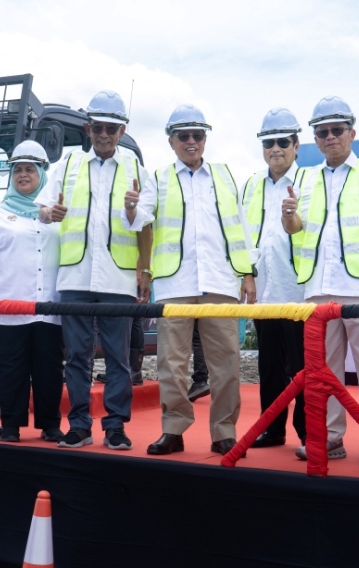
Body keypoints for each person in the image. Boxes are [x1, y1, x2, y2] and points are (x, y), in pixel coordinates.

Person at [124, 104, 257, 456]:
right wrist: (132, 208)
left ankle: (224, 431)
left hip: (219, 281)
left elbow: (240, 229)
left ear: (205, 138)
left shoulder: (225, 175)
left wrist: (247, 273)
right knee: (171, 365)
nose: (192, 142)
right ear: (171, 141)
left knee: (227, 362)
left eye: (198, 135)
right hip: (175, 284)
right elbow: (142, 222)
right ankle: (173, 430)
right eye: (184, 136)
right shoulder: (158, 177)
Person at [282, 96, 359, 467]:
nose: (330, 137)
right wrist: (289, 218)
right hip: (319, 287)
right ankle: (329, 438)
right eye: (323, 132)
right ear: (315, 139)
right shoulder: (303, 177)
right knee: (323, 371)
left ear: (352, 133)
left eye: (337, 130)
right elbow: (295, 230)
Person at [36, 90, 149, 450]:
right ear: (87, 129)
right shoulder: (66, 166)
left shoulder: (137, 170)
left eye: (111, 128)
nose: (104, 134)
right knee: (77, 356)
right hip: (75, 275)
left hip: (117, 277)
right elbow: (42, 208)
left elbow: (147, 221)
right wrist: (48, 214)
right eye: (98, 127)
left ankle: (115, 426)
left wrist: (133, 210)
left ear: (122, 130)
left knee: (118, 357)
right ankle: (81, 425)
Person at [0, 141, 63, 443]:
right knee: (12, 370)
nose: (23, 175)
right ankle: (11, 426)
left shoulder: (57, 214)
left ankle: (50, 425)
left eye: (29, 169)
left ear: (42, 173)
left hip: (49, 306)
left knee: (49, 369)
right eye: (17, 169)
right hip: (8, 308)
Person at [242, 108, 306, 449]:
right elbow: (242, 237)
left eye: (283, 141)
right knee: (269, 367)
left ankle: (307, 431)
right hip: (264, 291)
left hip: (299, 291)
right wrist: (246, 276)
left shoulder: (310, 181)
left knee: (302, 367)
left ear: (297, 145)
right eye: (269, 142)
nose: (276, 148)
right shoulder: (251, 185)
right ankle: (272, 427)